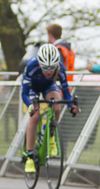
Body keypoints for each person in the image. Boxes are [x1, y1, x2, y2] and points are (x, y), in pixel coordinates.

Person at [20, 44, 77, 174]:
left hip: (48, 86)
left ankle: (51, 134)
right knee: (34, 116)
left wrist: (71, 106)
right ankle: (29, 156)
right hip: (32, 88)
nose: (49, 71)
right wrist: (30, 105)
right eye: (45, 67)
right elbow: (24, 93)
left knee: (57, 106)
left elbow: (66, 92)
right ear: (40, 63)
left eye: (52, 67)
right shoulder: (32, 65)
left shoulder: (60, 68)